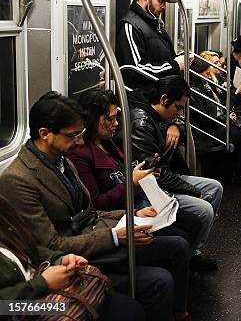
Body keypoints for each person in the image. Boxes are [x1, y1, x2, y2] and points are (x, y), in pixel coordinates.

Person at [0, 91, 191, 320]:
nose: (80, 141)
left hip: (79, 247)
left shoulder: (62, 162)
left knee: (178, 245)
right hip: (62, 266)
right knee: (157, 283)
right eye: (72, 136)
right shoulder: (18, 180)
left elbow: (89, 213)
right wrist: (113, 237)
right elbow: (49, 245)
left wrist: (131, 213)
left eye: (80, 134)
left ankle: (179, 312)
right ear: (45, 134)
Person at [69, 89, 206, 257]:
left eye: (115, 117)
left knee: (194, 223)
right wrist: (133, 182)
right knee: (182, 237)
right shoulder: (80, 155)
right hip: (121, 211)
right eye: (109, 119)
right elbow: (97, 203)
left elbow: (125, 170)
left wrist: (145, 171)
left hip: (138, 198)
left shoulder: (108, 143)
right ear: (91, 120)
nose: (116, 123)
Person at [0, 194, 145, 320]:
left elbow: (31, 249)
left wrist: (60, 259)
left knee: (128, 308)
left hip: (40, 291)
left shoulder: (5, 214)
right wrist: (42, 284)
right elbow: (4, 307)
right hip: (21, 307)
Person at [129, 75, 223, 270]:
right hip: (155, 186)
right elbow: (154, 173)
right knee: (205, 209)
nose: (180, 113)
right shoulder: (141, 124)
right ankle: (187, 259)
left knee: (215, 187)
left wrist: (175, 125)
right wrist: (193, 191)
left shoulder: (160, 116)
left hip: (167, 175)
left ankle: (193, 250)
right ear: (164, 100)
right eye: (178, 108)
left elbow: (177, 124)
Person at [190, 51, 241, 184]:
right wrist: (225, 118)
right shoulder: (196, 91)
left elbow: (222, 105)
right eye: (206, 73)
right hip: (208, 132)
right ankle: (240, 175)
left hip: (219, 121)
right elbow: (205, 119)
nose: (208, 76)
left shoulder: (208, 85)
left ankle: (237, 170)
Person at [117, 0, 191, 90]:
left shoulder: (154, 23)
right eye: (160, 1)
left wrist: (178, 58)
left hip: (160, 92)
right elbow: (134, 70)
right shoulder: (131, 25)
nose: (164, 7)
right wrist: (174, 65)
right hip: (147, 97)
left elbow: (157, 56)